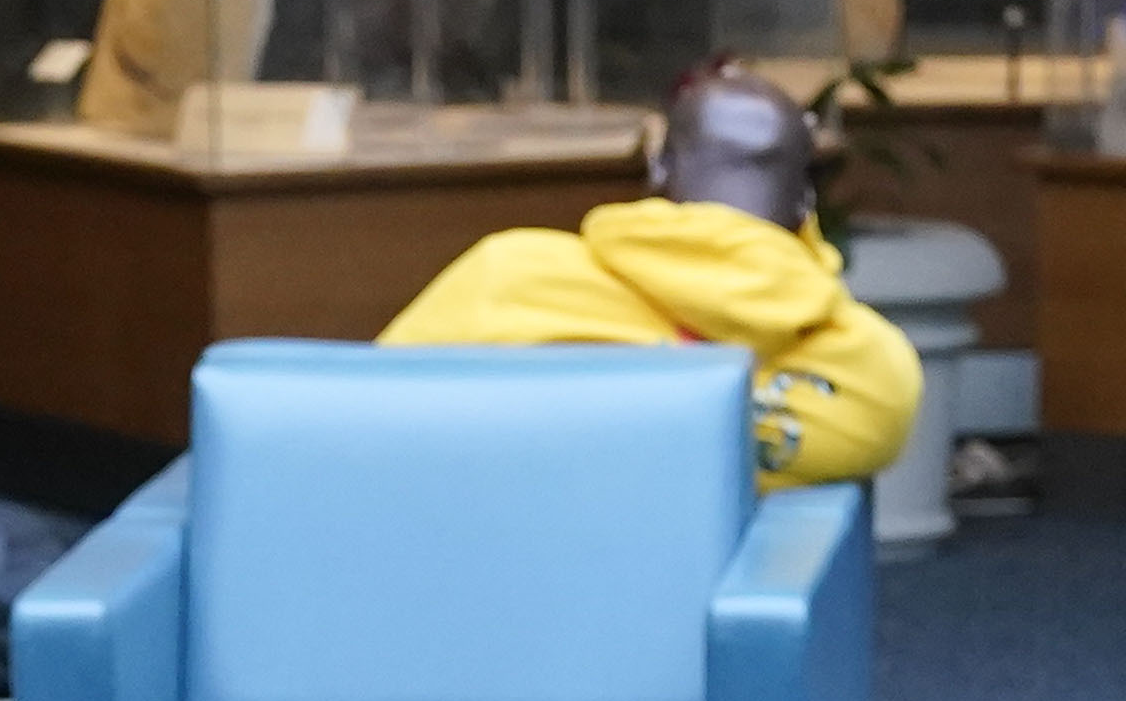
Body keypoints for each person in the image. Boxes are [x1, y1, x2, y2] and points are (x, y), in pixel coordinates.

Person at [376, 61, 925, 493]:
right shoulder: (870, 372)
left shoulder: (508, 278)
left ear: (658, 170)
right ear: (806, 202)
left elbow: (359, 428)